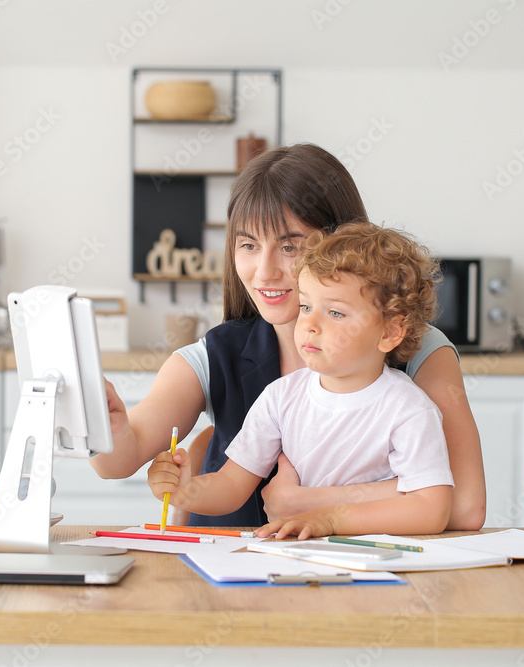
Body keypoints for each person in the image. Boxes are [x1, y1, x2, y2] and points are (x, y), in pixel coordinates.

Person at [91, 143, 486, 530]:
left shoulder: (418, 350)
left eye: (289, 246)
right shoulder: (215, 356)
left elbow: (464, 508)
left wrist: (309, 504)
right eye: (248, 244)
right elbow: (119, 459)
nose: (264, 272)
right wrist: (108, 427)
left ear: (340, 247)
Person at [147, 222, 453, 538]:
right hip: (295, 559)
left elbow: (432, 508)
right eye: (306, 306)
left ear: (390, 331)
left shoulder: (409, 409)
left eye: (335, 313)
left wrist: (331, 521)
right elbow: (231, 485)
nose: (309, 324)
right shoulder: (280, 397)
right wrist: (186, 490)